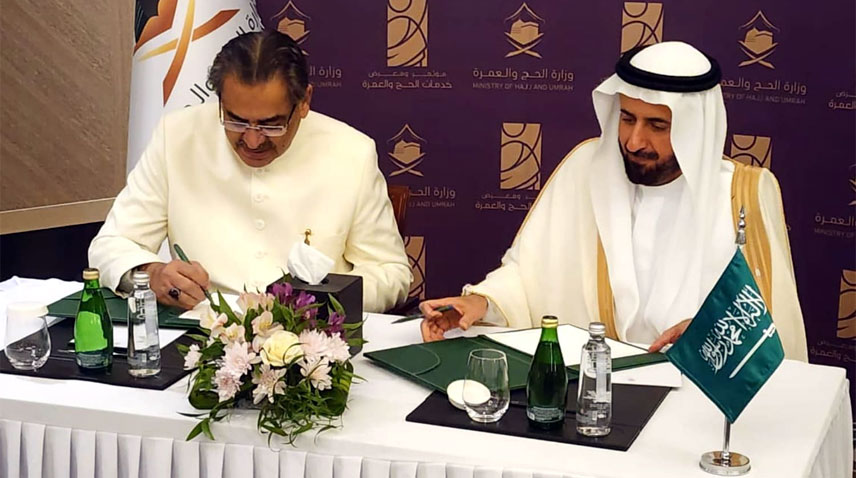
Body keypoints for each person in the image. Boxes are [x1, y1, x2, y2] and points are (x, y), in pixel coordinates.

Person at [419, 42, 807, 360]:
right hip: (588, 385)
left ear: (695, 129)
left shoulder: (744, 194)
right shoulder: (586, 168)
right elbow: (528, 274)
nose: (634, 142)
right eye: (627, 118)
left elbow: (772, 328)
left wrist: (709, 333)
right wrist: (481, 303)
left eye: (657, 126)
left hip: (695, 391)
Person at [89, 30, 411, 313]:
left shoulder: (352, 152)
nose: (253, 140)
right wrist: (152, 273)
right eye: (236, 120)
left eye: (272, 125)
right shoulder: (176, 136)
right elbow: (110, 245)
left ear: (304, 102)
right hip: (200, 335)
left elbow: (390, 272)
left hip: (309, 341)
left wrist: (316, 302)